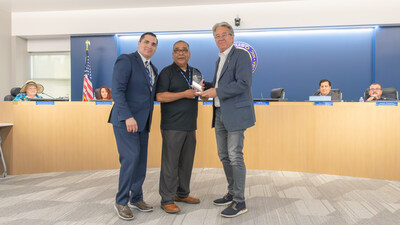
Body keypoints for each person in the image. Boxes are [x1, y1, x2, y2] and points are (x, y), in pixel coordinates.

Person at [201, 22, 255, 218]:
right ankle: (232, 192)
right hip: (220, 113)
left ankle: (240, 202)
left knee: (235, 155)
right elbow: (220, 84)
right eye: (217, 36)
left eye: (224, 34)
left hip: (235, 114)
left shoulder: (241, 55)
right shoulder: (220, 59)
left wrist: (217, 90)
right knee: (223, 155)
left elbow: (243, 84)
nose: (220, 38)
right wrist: (206, 86)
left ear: (233, 36)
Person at [108, 32, 158, 221]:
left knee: (140, 161)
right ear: (139, 43)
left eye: (153, 44)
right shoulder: (126, 60)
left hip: (143, 123)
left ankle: (136, 198)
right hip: (125, 121)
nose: (149, 46)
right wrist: (128, 116)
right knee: (130, 159)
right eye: (146, 42)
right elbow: (118, 91)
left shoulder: (153, 68)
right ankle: (121, 201)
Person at [156, 40, 202, 214]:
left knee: (186, 163)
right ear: (173, 54)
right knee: (171, 164)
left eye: (184, 50)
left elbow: (199, 95)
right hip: (172, 126)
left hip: (190, 125)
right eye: (177, 50)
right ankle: (166, 199)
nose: (181, 53)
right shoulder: (166, 73)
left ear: (189, 53)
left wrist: (203, 94)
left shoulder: (195, 72)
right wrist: (184, 94)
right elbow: (160, 96)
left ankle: (182, 193)